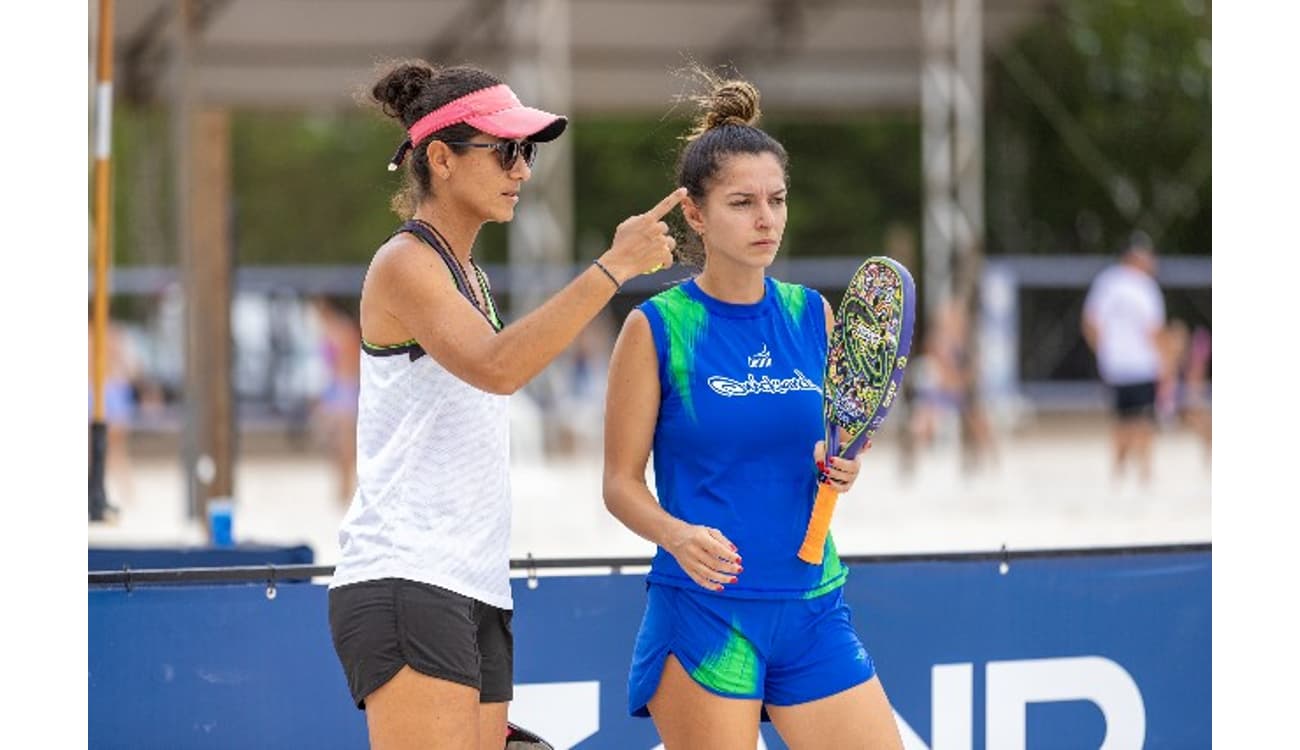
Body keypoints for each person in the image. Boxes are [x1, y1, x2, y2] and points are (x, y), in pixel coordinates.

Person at [326, 60, 681, 750]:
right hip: (409, 577)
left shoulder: (472, 276)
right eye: (506, 150)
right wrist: (613, 268)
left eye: (528, 151)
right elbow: (499, 368)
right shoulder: (404, 263)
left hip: (473, 583)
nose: (523, 168)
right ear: (440, 158)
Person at [602, 72, 904, 749]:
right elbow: (618, 485)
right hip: (707, 614)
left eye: (777, 199)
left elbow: (831, 442)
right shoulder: (657, 329)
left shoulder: (812, 315)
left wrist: (842, 464)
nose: (766, 218)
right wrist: (677, 535)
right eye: (742, 203)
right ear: (697, 215)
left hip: (813, 607)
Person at [1082, 232, 1166, 487]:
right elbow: (1153, 330)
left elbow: (1091, 323)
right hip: (1142, 363)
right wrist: (1165, 362)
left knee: (1120, 419)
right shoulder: (1145, 287)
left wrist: (1102, 352)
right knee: (1143, 420)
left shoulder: (1106, 282)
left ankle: (1117, 473)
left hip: (1114, 363)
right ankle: (1145, 473)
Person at [310, 295, 362, 505]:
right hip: (336, 387)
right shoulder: (330, 330)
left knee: (345, 443)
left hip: (344, 387)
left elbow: (349, 364)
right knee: (335, 442)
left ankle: (346, 486)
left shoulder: (342, 330)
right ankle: (342, 485)